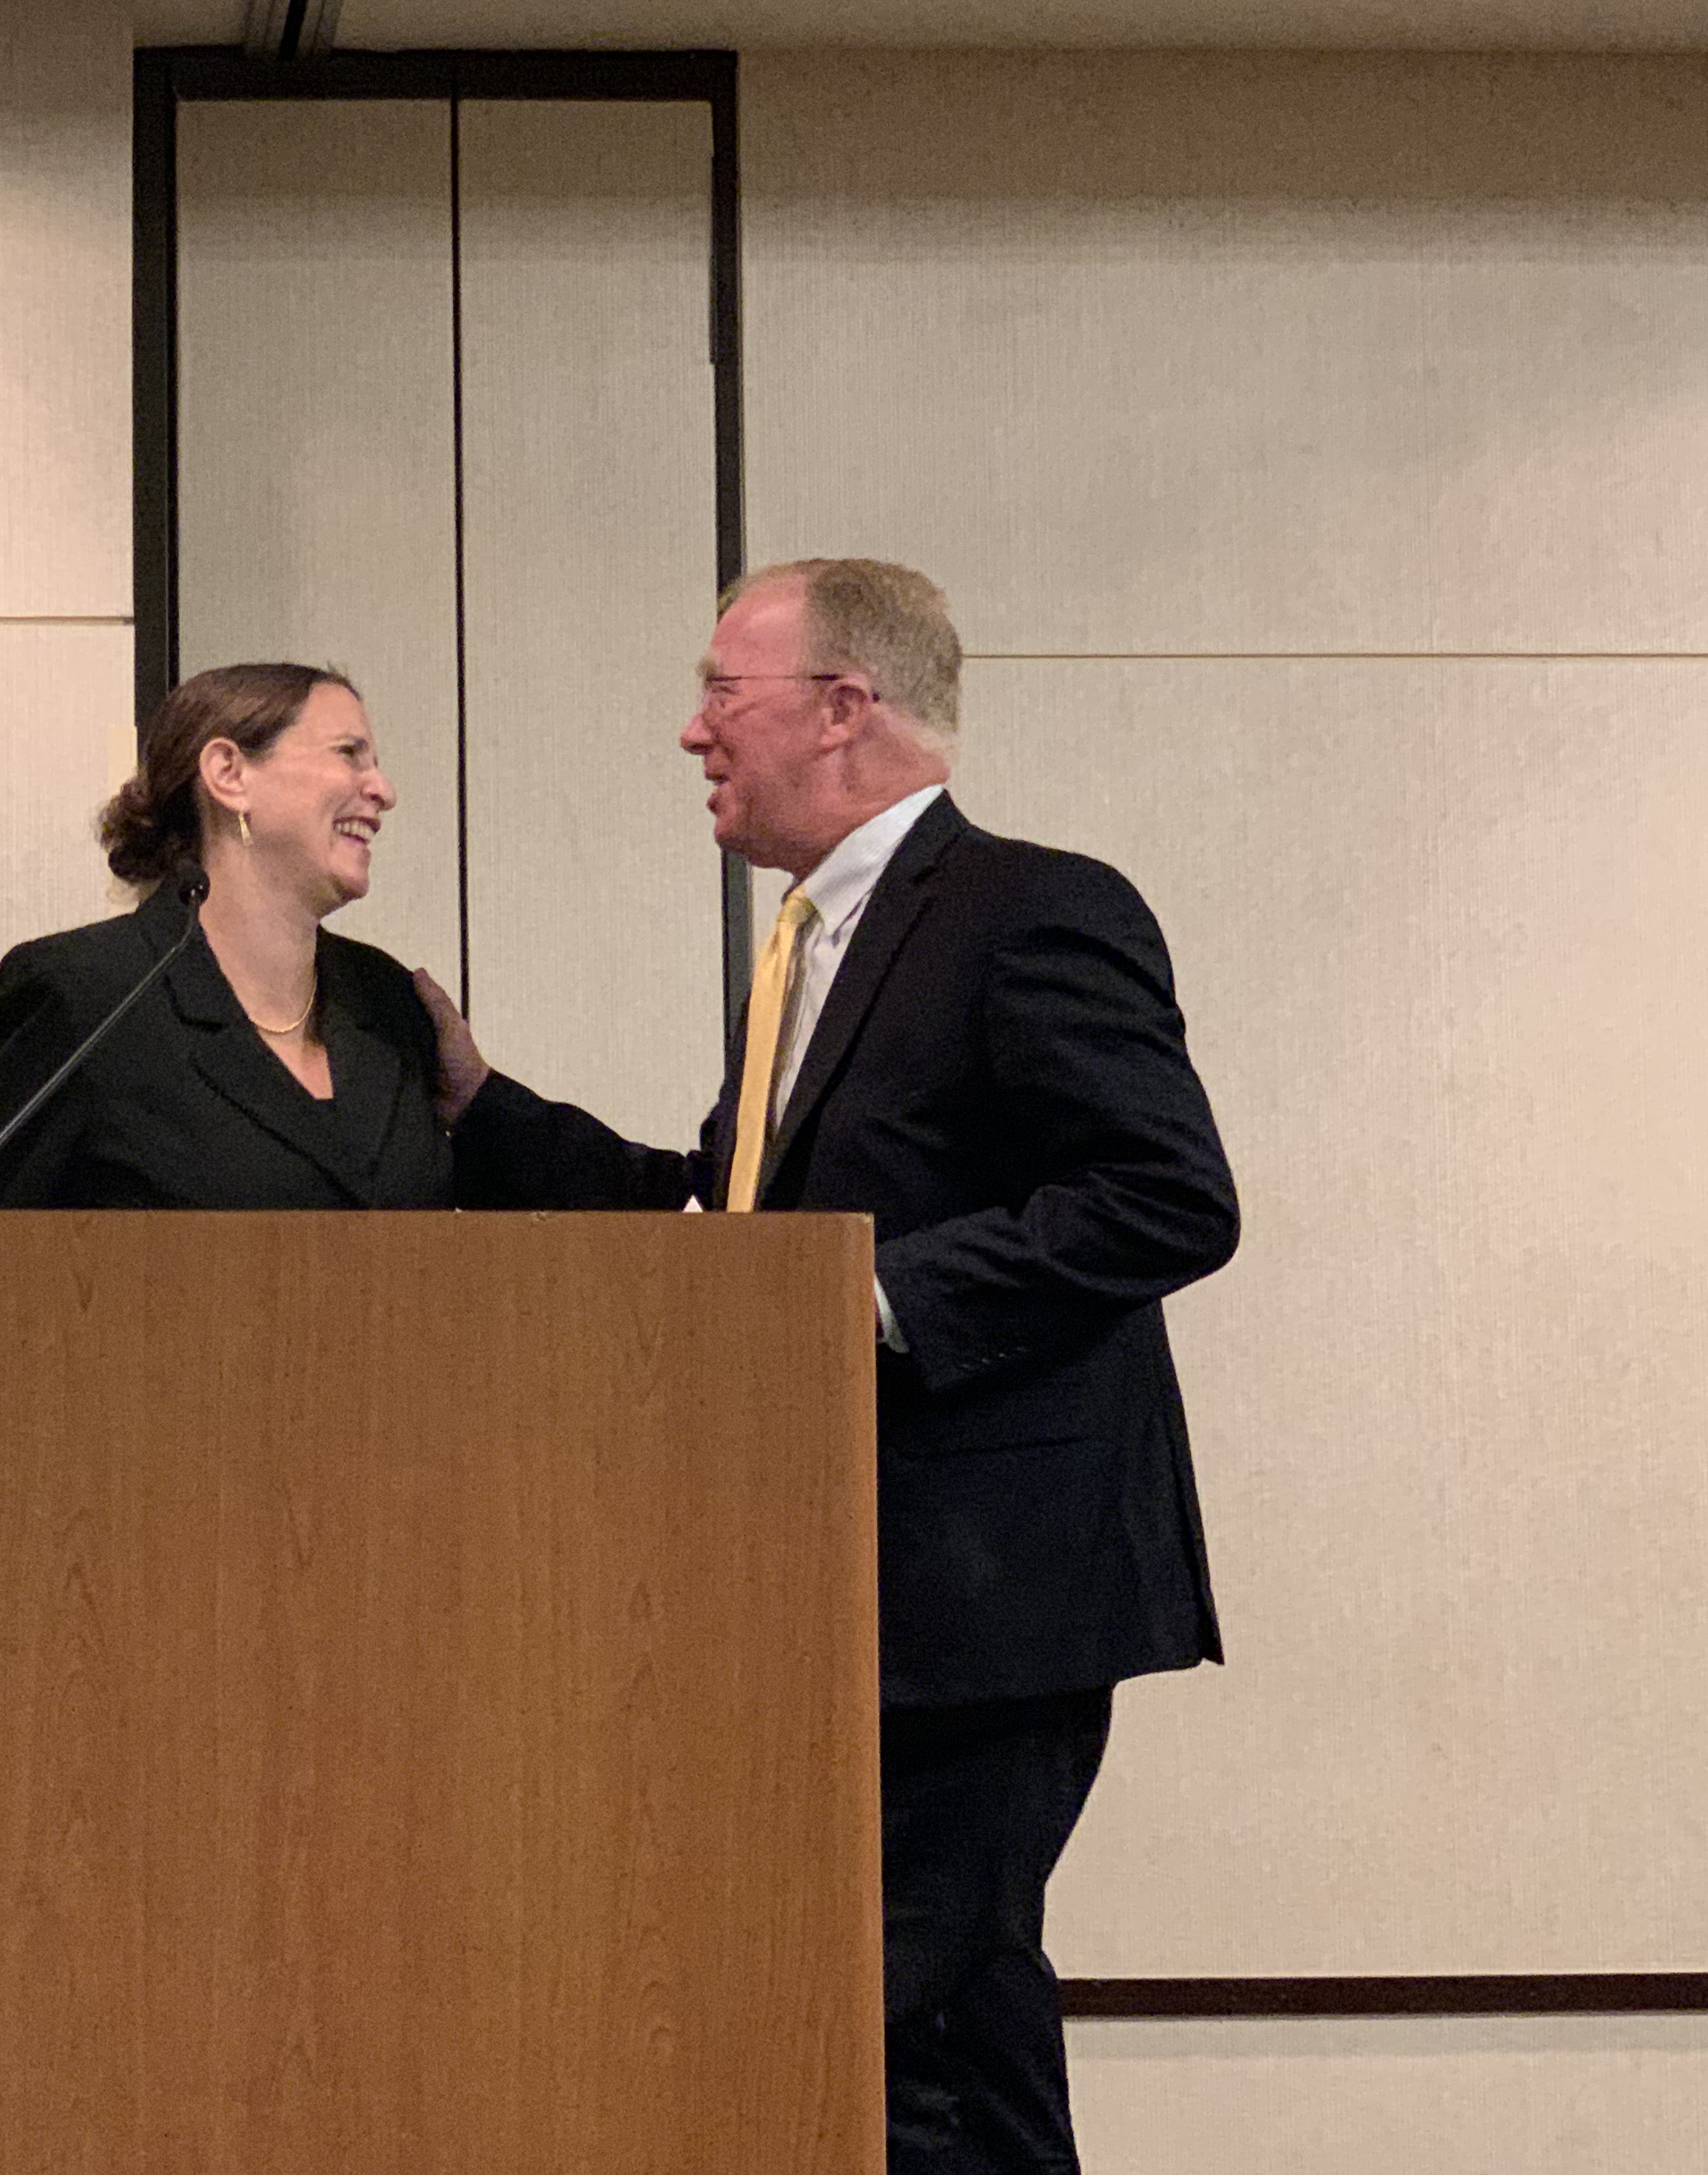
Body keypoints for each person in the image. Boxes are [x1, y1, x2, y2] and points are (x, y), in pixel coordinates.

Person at [430, 558, 1238, 2175]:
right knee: (954, 2027)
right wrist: (479, 1102)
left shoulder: (1032, 907)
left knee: (900, 2036)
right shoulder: (807, 947)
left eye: (723, 691)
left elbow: (1167, 1196)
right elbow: (729, 1224)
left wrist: (862, 1300)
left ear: (845, 706)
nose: (690, 731)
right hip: (859, 1608)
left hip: (989, 1606)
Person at [0, 661, 458, 1209]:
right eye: (348, 753)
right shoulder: (89, 998)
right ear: (229, 774)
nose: (383, 790)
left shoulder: (389, 1002)